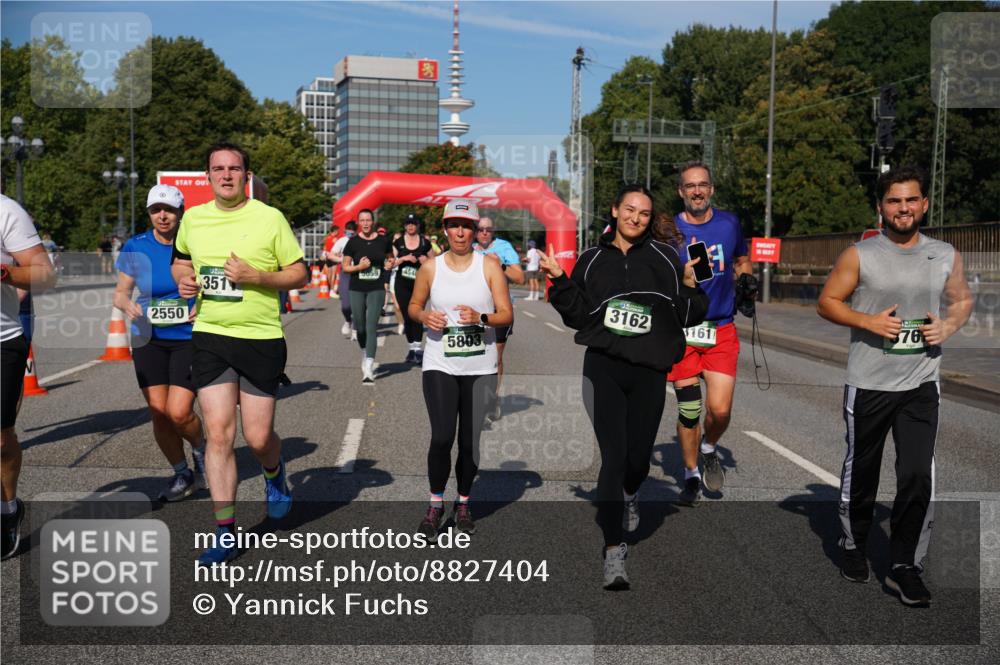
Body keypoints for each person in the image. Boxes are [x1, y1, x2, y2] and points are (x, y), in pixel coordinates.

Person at [818, 165, 972, 607]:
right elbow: (828, 302)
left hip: (921, 383)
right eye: (893, 201)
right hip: (868, 382)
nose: (902, 208)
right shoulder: (860, 254)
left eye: (911, 200)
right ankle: (853, 543)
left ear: (924, 204)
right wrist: (866, 320)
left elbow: (961, 299)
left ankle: (905, 565)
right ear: (881, 207)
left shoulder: (944, 254)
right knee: (861, 474)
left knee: (916, 475)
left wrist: (949, 326)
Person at [539, 184, 706, 590]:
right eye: (629, 210)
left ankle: (632, 492)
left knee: (637, 462)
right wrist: (561, 280)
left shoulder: (667, 257)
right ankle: (614, 551)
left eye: (644, 213)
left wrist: (689, 285)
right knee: (614, 459)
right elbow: (578, 316)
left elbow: (689, 314)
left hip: (649, 370)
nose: (635, 218)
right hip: (604, 368)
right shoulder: (592, 260)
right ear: (614, 211)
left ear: (651, 220)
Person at [171, 142, 308, 565]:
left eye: (234, 169)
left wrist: (258, 276)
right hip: (210, 334)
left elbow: (300, 271)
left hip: (261, 337)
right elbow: (180, 261)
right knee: (218, 434)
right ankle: (226, 531)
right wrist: (185, 281)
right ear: (208, 176)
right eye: (218, 169)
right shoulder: (193, 219)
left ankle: (273, 472)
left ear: (245, 175)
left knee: (259, 437)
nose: (226, 175)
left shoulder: (269, 218)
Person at [408, 199, 512, 540]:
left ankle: (463, 501)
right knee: (441, 436)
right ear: (445, 229)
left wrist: (481, 318)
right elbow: (413, 306)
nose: (460, 232)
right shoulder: (430, 268)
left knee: (470, 442)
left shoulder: (490, 266)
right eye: (454, 225)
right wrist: (424, 316)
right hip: (440, 361)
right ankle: (435, 504)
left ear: (475, 230)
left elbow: (506, 314)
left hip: (480, 365)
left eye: (466, 226)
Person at [664, 161, 753, 506]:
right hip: (683, 332)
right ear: (681, 192)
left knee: (720, 410)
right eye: (690, 186)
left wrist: (746, 278)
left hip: (720, 329)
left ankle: (709, 446)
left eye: (702, 185)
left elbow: (741, 259)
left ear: (711, 189)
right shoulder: (669, 230)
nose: (697, 191)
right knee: (689, 410)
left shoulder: (729, 223)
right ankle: (690, 475)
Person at [113, 185, 207, 503]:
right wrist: (127, 305)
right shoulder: (135, 246)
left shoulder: (195, 243)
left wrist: (202, 305)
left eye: (168, 210)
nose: (162, 216)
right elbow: (121, 292)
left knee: (179, 412)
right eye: (156, 210)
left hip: (187, 338)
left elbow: (214, 282)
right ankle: (182, 473)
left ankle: (200, 450)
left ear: (181, 212)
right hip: (148, 337)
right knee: (158, 411)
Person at [1, 193, 56, 560]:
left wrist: (4, 272)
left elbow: (45, 274)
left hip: (2, 340)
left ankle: (7, 510)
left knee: (1, 441)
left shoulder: (6, 211)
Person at [474, 216, 525, 421]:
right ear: (475, 231)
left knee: (495, 356)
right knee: (475, 353)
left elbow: (520, 278)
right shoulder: (468, 246)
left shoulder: (504, 247)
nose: (484, 232)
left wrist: (500, 264)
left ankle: (492, 398)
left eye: (488, 229)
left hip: (499, 308)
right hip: (473, 308)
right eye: (480, 229)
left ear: (493, 231)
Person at [342, 209, 394, 384]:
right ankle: (365, 350)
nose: (365, 223)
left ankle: (369, 367)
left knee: (372, 325)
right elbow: (345, 267)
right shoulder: (353, 242)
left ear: (373, 222)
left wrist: (389, 264)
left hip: (376, 288)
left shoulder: (382, 241)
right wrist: (360, 267)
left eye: (368, 220)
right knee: (360, 326)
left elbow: (390, 258)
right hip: (357, 288)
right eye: (362, 220)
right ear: (358, 223)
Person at [394, 212, 436, 363]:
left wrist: (426, 261)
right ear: (405, 226)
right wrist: (403, 258)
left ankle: (418, 350)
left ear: (418, 225)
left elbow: (436, 263)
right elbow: (390, 262)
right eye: (408, 223)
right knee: (406, 316)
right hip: (402, 284)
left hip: (420, 285)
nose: (410, 226)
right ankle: (411, 349)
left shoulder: (425, 243)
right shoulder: (398, 243)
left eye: (413, 223)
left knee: (416, 315)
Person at [330, 221, 356, 338]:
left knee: (358, 304)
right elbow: (331, 255)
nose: (349, 235)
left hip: (358, 274)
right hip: (345, 273)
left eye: (351, 233)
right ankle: (348, 321)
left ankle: (356, 327)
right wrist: (341, 260)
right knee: (345, 305)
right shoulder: (341, 241)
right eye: (347, 232)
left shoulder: (359, 240)